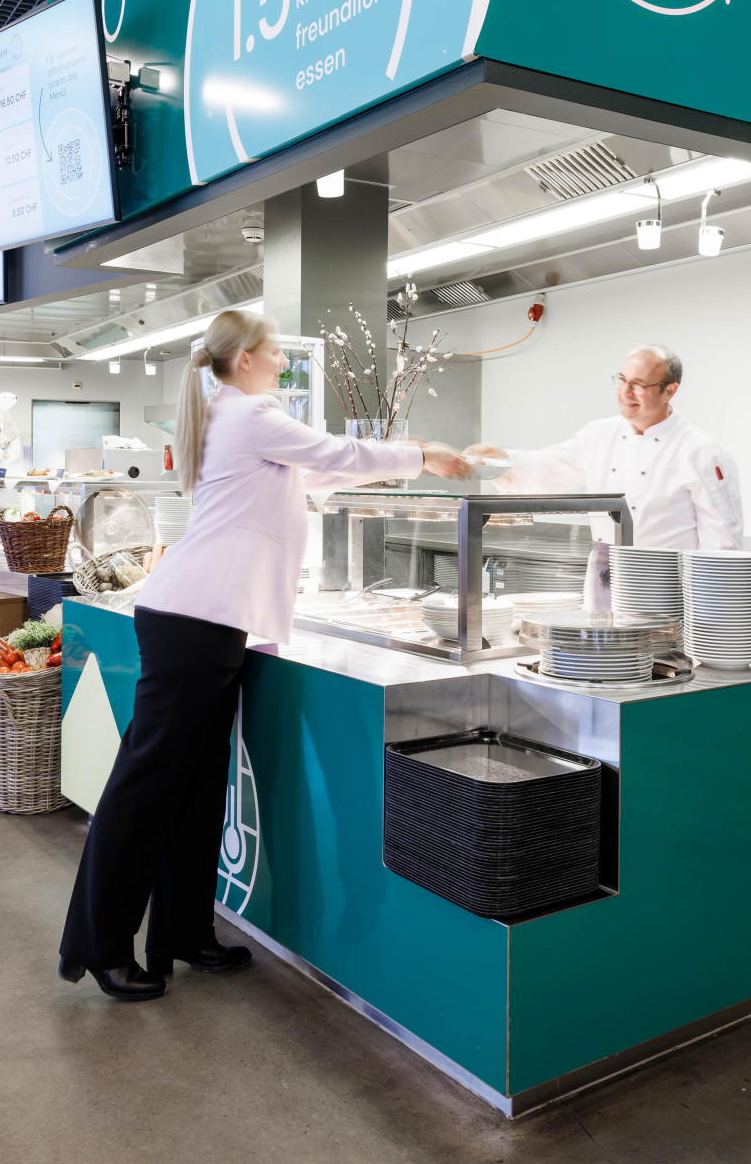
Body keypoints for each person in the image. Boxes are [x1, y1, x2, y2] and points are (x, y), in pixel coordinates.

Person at [59, 309, 470, 1002]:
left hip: (214, 625)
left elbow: (313, 477)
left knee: (196, 793)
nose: (282, 359)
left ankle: (181, 934)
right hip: (193, 622)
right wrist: (422, 452)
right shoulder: (249, 414)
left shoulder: (238, 417)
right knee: (145, 792)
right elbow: (336, 453)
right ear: (244, 358)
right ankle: (99, 946)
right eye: (274, 350)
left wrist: (393, 478)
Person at [469, 343, 742, 550]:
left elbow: (722, 543)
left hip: (665, 588)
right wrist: (500, 461)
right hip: (604, 579)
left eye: (638, 385)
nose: (625, 392)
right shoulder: (599, 434)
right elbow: (549, 469)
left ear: (669, 390)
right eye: (622, 380)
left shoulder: (701, 452)